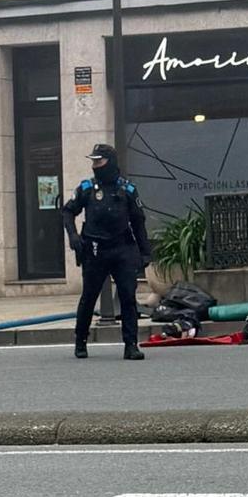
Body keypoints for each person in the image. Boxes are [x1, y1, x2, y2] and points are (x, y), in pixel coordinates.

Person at [62, 144, 151, 361]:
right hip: (94, 249)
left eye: (98, 161)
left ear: (109, 162)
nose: (95, 166)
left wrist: (145, 253)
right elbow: (67, 211)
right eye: (93, 162)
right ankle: (80, 341)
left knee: (128, 297)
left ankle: (131, 345)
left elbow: (138, 222)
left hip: (123, 248)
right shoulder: (87, 188)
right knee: (89, 296)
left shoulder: (127, 189)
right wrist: (73, 236)